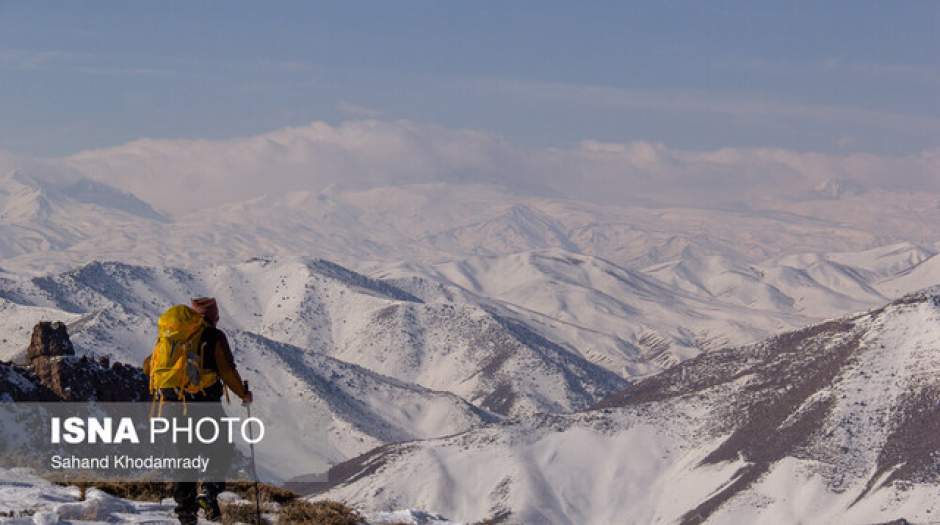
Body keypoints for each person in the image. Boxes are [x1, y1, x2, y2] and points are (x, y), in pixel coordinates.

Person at [145, 297, 253, 524]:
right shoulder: (213, 336)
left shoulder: (170, 336)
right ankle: (209, 491)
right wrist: (243, 394)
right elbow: (227, 370)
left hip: (172, 406)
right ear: (213, 316)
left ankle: (186, 512)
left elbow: (149, 366)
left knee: (185, 457)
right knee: (221, 446)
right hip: (204, 404)